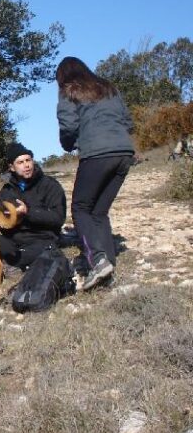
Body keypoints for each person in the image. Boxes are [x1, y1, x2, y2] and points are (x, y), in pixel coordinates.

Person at [56, 56, 135, 290]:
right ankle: (107, 263)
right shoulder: (108, 88)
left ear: (63, 76)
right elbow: (128, 122)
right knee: (99, 211)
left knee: (80, 208)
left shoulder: (69, 89)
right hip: (124, 153)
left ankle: (97, 260)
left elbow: (68, 126)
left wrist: (68, 143)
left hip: (97, 154)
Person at [0, 142, 67, 270]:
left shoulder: (50, 185)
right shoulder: (7, 190)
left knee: (45, 251)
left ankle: (12, 263)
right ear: (12, 168)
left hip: (41, 239)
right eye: (20, 162)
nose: (26, 165)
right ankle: (13, 262)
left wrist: (28, 212)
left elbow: (58, 218)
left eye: (28, 160)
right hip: (13, 239)